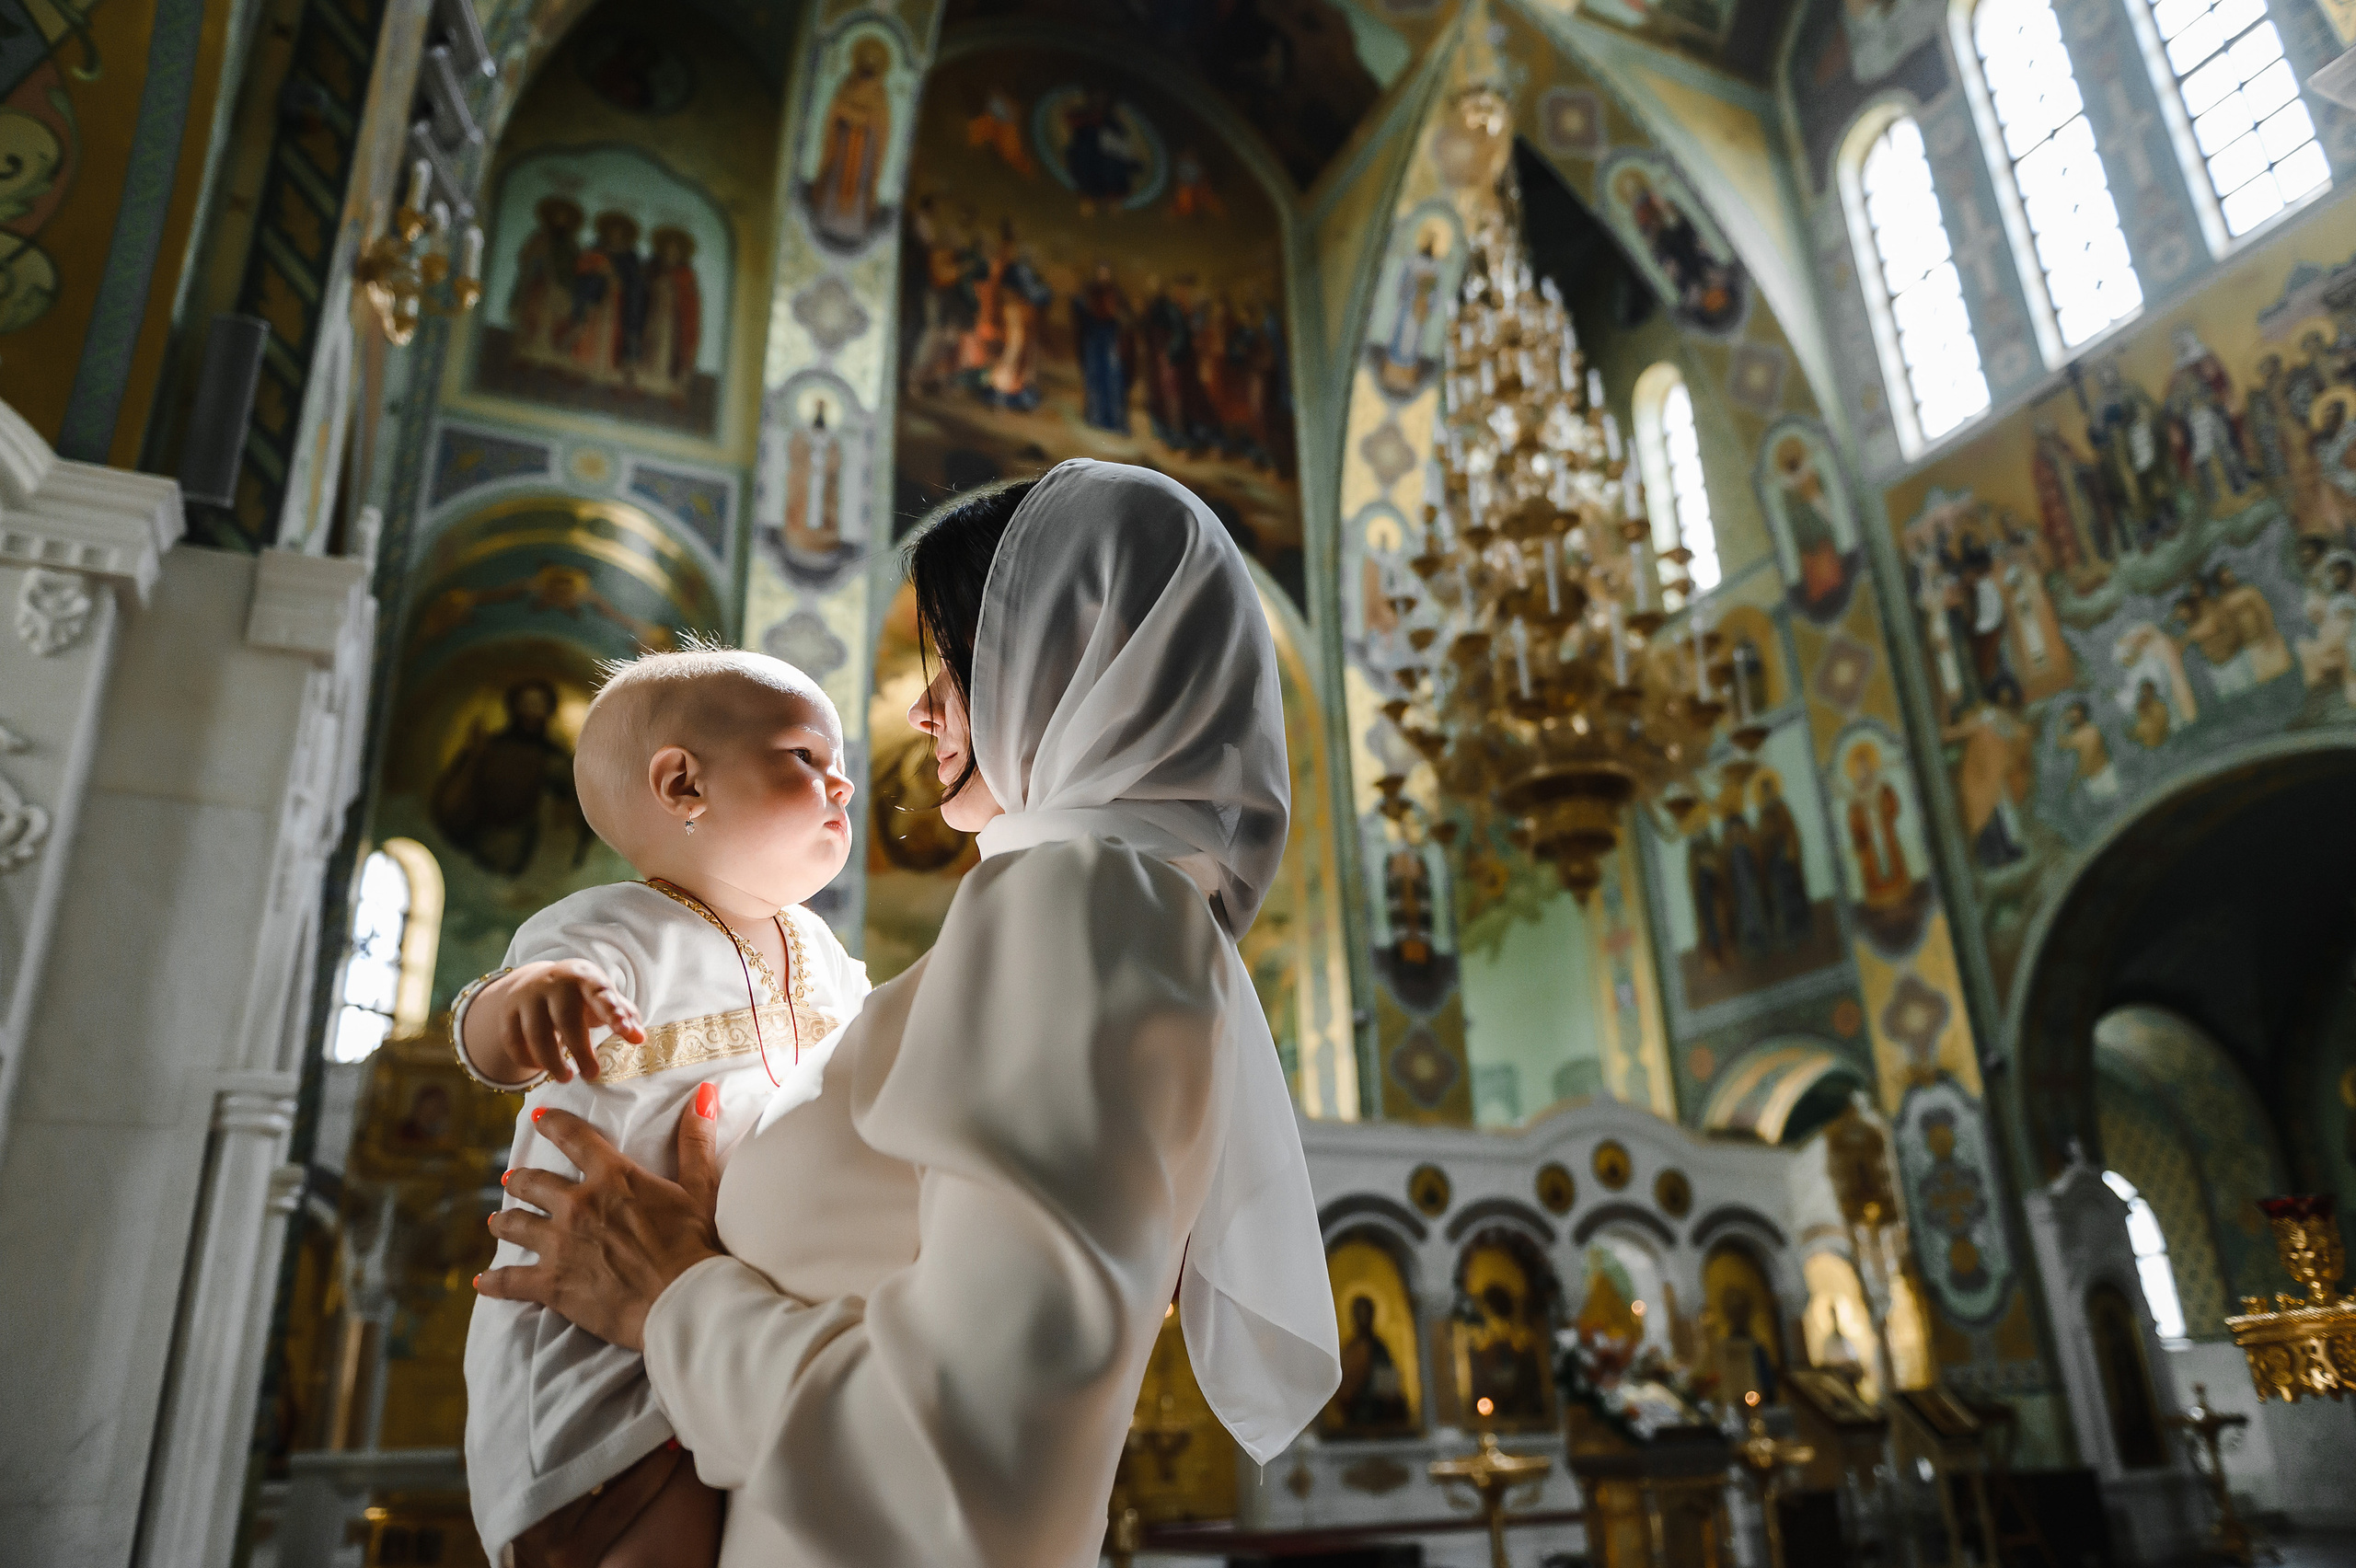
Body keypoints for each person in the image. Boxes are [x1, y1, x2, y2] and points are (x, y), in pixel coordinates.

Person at [470, 461, 1342, 1567]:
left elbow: (967, 1462)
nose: (922, 707)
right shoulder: (1099, 916)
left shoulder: (1080, 902)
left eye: (953, 665)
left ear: (1067, 665)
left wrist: (675, 1299)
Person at [456, 648, 871, 1567]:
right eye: (804, 756)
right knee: (643, 1534)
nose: (842, 781)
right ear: (682, 784)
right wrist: (527, 1003)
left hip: (725, 1306)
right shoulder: (610, 929)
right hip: (588, 1326)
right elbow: (494, 1024)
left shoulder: (821, 950)